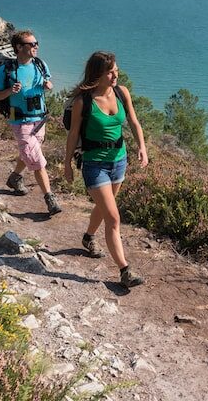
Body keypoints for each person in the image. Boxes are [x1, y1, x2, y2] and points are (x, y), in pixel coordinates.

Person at [64, 51, 149, 288]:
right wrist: (67, 164)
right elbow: (73, 135)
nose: (115, 75)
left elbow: (133, 121)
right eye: (110, 72)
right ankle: (125, 271)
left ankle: (88, 237)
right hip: (94, 165)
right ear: (97, 74)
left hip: (119, 161)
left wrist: (142, 147)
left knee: (103, 209)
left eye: (116, 71)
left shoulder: (122, 93)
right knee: (113, 217)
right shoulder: (84, 102)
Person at [0, 30, 62, 215]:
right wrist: (9, 91)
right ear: (19, 47)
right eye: (32, 44)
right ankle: (50, 198)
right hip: (20, 120)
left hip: (40, 118)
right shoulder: (6, 70)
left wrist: (49, 86)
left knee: (29, 152)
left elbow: (48, 83)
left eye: (36, 43)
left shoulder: (40, 64)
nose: (36, 46)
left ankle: (15, 177)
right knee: (37, 161)